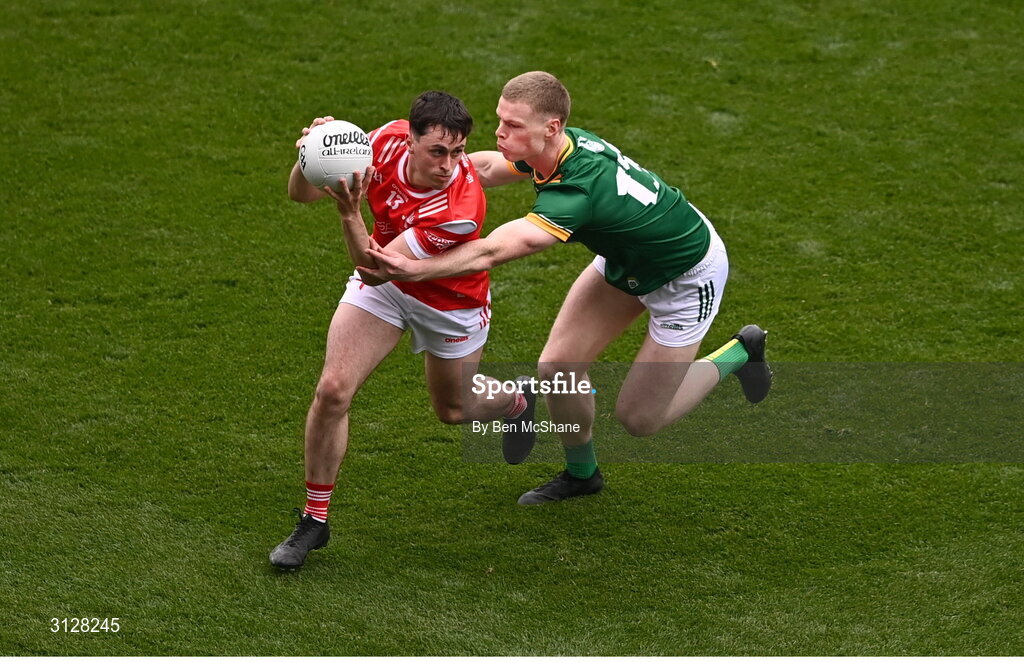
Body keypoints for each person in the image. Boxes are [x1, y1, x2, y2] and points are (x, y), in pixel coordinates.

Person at [359, 72, 772, 505]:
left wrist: (413, 268)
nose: (499, 132)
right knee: (557, 369)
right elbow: (477, 167)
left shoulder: (574, 191)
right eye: (501, 120)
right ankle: (582, 474)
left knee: (640, 419)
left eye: (513, 126)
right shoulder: (555, 147)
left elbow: (492, 252)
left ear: (550, 128)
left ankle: (742, 351)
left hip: (685, 275)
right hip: (627, 259)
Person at [270, 91, 535, 570]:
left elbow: (376, 267)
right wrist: (312, 153)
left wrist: (350, 213)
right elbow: (300, 193)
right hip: (388, 288)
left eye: (458, 152)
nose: (450, 164)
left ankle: (517, 402)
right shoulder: (384, 141)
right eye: (438, 151)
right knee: (332, 390)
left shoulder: (460, 207)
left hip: (449, 303)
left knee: (453, 410)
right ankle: (314, 519)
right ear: (409, 139)